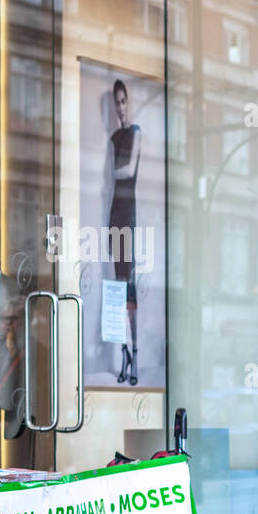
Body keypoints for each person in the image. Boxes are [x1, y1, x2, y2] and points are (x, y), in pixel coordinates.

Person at [105, 78, 141, 386]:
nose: (120, 107)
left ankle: (136, 354)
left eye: (122, 101)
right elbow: (113, 175)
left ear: (128, 102)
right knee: (117, 287)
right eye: (116, 102)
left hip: (128, 211)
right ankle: (124, 353)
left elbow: (127, 172)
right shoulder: (115, 137)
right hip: (115, 211)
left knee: (128, 283)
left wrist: (116, 169)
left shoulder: (134, 133)